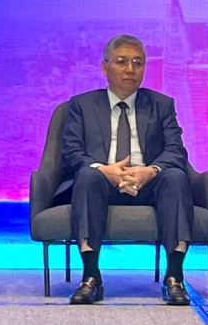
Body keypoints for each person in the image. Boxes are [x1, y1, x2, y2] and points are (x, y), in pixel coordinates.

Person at [57, 34, 194, 306]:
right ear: (104, 67)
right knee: (87, 175)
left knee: (176, 177)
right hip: (102, 183)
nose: (130, 69)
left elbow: (176, 150)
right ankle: (91, 277)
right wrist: (105, 170)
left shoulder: (161, 105)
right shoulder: (82, 105)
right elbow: (71, 153)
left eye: (137, 63)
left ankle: (174, 277)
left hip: (148, 183)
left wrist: (150, 170)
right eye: (121, 62)